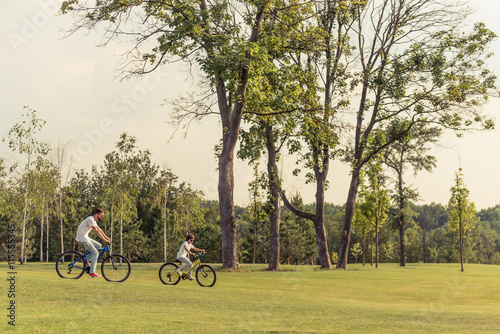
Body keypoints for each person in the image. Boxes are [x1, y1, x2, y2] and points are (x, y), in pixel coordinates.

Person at [75, 208, 112, 278]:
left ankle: (86, 260)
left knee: (98, 245)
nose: (102, 217)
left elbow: (99, 230)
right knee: (95, 253)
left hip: (85, 237)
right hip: (82, 238)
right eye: (101, 215)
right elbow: (97, 231)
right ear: (97, 214)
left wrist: (106, 238)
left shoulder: (94, 221)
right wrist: (105, 240)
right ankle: (92, 272)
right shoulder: (90, 219)